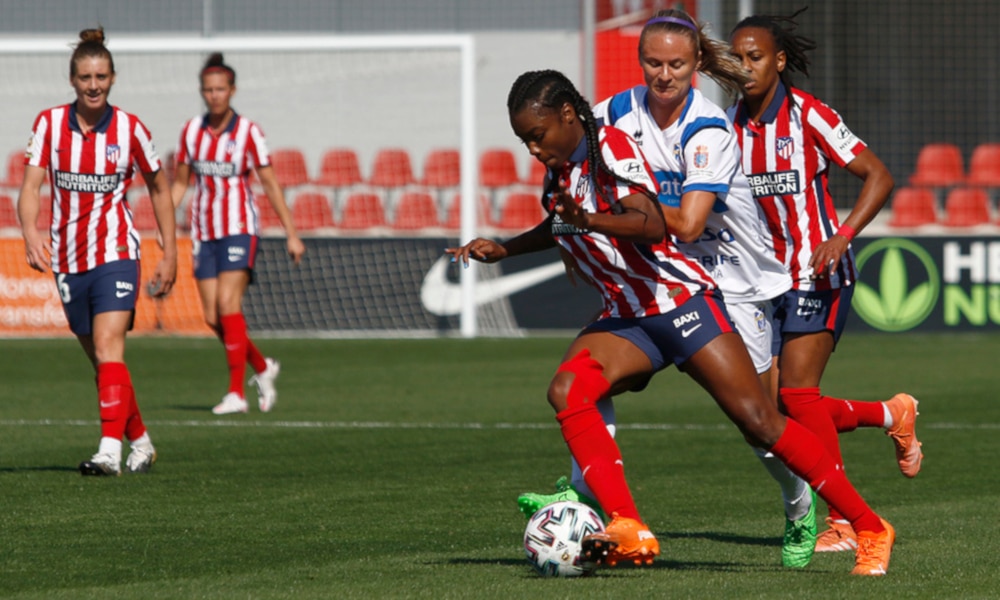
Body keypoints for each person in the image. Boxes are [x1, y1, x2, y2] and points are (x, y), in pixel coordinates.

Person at [449, 68, 894, 575]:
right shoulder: (561, 172)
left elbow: (651, 222)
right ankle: (628, 526)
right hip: (629, 316)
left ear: (568, 115)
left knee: (761, 421)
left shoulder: (611, 149)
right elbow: (563, 225)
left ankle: (870, 526)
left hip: (679, 302)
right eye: (524, 140)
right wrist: (506, 248)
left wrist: (588, 220)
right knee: (569, 389)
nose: (532, 148)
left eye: (537, 134)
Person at [516, 9, 819, 569]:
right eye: (653, 62)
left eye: (676, 64)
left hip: (733, 276)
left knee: (757, 423)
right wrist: (571, 229)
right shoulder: (612, 115)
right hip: (663, 278)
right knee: (584, 384)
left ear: (696, 62)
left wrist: (600, 221)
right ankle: (592, 495)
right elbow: (571, 157)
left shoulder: (708, 126)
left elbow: (688, 226)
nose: (664, 74)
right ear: (639, 62)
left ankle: (799, 504)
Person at [728, 9, 923, 554]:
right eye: (736, 59)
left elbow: (878, 175)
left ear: (779, 60)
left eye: (755, 57)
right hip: (763, 282)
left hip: (819, 272)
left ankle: (843, 521)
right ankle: (891, 413)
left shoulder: (809, 115)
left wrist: (842, 235)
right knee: (779, 409)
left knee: (797, 392)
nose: (745, 67)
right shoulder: (725, 126)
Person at [17, 27, 176, 476]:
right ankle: (140, 442)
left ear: (113, 78)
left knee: (109, 346)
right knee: (103, 361)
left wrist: (170, 251)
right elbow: (30, 187)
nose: (93, 85)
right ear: (72, 80)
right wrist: (30, 231)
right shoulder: (49, 124)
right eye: (85, 77)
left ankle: (109, 452)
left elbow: (159, 188)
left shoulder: (130, 129)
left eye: (101, 77)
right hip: (68, 259)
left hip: (116, 251)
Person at [170, 53, 305, 415]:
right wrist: (164, 223)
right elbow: (180, 183)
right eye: (208, 90)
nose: (214, 96)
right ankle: (262, 366)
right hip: (203, 231)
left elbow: (270, 183)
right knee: (213, 317)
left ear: (232, 90)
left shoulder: (248, 132)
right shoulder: (190, 131)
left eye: (220, 89)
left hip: (239, 228)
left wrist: (292, 233)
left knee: (229, 305)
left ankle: (236, 394)